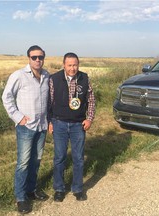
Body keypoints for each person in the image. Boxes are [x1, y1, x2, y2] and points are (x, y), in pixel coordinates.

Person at [2, 45, 49, 213]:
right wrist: (17, 117)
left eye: (40, 57)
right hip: (26, 127)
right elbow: (6, 97)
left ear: (44, 58)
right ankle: (20, 197)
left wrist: (49, 121)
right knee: (23, 163)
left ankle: (31, 190)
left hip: (42, 126)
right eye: (34, 57)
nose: (38, 60)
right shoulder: (19, 76)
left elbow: (48, 101)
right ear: (28, 58)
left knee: (36, 160)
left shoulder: (46, 75)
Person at [48, 52, 96, 202]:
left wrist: (89, 119)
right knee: (59, 158)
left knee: (78, 158)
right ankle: (59, 189)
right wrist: (49, 122)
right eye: (69, 65)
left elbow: (91, 100)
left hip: (78, 125)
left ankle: (77, 189)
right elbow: (49, 102)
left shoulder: (84, 78)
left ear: (78, 65)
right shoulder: (54, 79)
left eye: (75, 65)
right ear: (64, 65)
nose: (72, 68)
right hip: (59, 123)